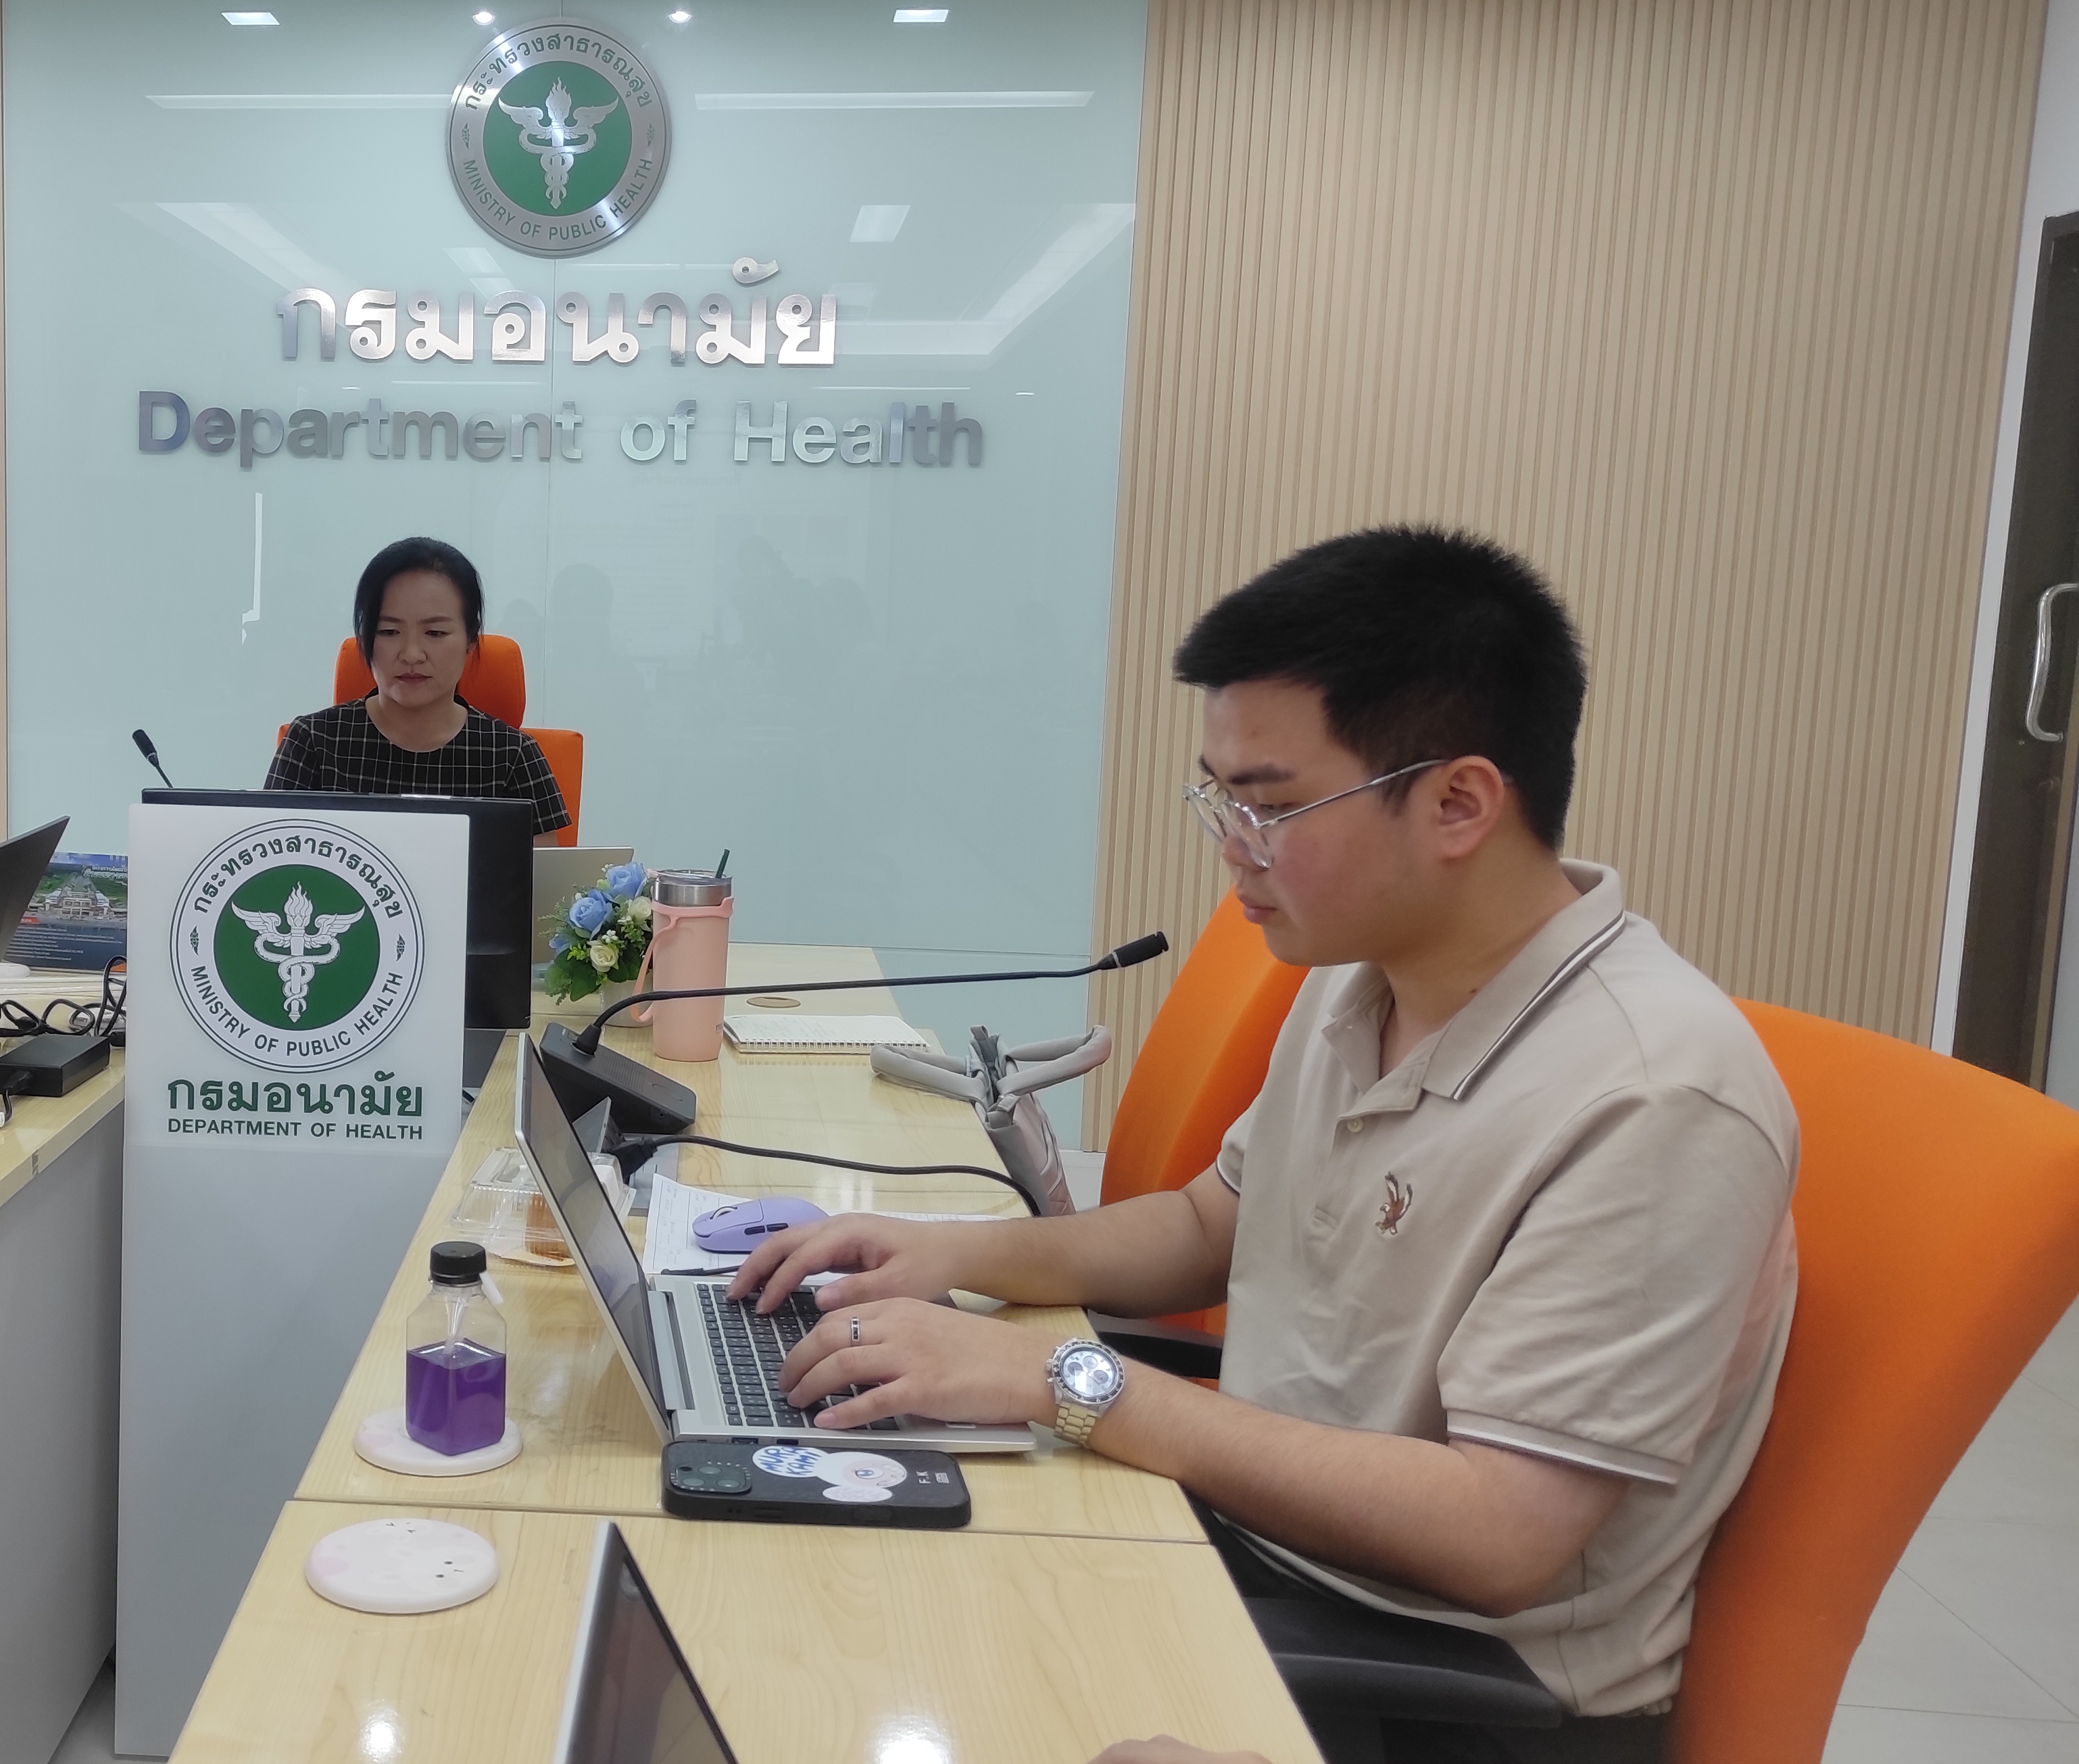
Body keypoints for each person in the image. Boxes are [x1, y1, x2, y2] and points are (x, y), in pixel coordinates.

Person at [731, 528, 1796, 1761]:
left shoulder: (1657, 1094)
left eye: (1274, 807)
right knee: (804, 1589)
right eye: (1220, 800)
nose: (1233, 846)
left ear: (1459, 803)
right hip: (1257, 1547)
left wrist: (1063, 1380)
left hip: (1439, 1685)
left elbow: (1499, 1535)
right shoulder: (1366, 976)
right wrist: (949, 1252)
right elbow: (1211, 1224)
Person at [266, 535, 572, 844]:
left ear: (470, 639)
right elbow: (270, 860)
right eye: (389, 631)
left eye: (435, 633)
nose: (412, 654)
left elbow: (543, 875)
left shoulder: (513, 757)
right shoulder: (312, 744)